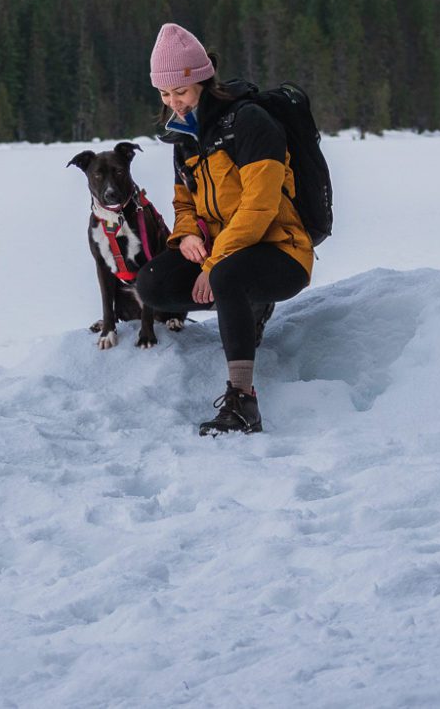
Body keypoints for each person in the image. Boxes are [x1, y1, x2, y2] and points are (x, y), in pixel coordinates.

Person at [133, 23, 313, 435]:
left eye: (180, 91)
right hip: (222, 252)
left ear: (202, 80)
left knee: (228, 275)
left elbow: (260, 205)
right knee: (154, 284)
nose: (173, 103)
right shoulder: (184, 137)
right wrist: (188, 236)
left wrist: (214, 262)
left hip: (280, 250)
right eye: (164, 94)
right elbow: (183, 203)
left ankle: (242, 402)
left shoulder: (250, 123)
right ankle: (245, 308)